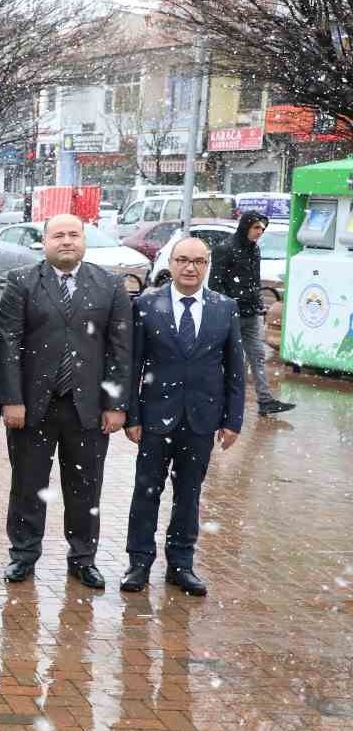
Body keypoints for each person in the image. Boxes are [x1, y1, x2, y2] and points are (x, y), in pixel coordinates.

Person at [0, 213, 132, 589]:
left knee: (86, 487)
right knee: (27, 482)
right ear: (45, 242)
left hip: (87, 407)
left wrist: (116, 403)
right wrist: (11, 399)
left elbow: (121, 348)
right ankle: (23, 555)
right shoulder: (21, 282)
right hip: (33, 406)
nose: (67, 241)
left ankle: (83, 557)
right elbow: (8, 344)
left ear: (84, 241)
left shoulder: (110, 285)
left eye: (74, 234)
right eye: (59, 235)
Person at [122, 236, 245, 597]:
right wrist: (132, 415)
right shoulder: (147, 304)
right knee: (146, 491)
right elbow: (134, 366)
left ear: (207, 266)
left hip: (202, 420)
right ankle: (139, 562)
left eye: (198, 262)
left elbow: (235, 370)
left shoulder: (225, 308)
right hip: (156, 417)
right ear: (171, 264)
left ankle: (181, 564)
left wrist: (233, 420)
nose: (190, 268)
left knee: (189, 495)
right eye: (183, 260)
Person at [210, 211, 293, 415]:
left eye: (263, 229)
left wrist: (256, 303)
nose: (260, 232)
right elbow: (215, 284)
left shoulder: (254, 250)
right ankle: (219, 400)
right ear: (246, 226)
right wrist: (230, 305)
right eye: (256, 227)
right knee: (230, 359)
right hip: (232, 315)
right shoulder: (225, 249)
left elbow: (254, 281)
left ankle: (265, 400)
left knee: (257, 356)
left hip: (251, 314)